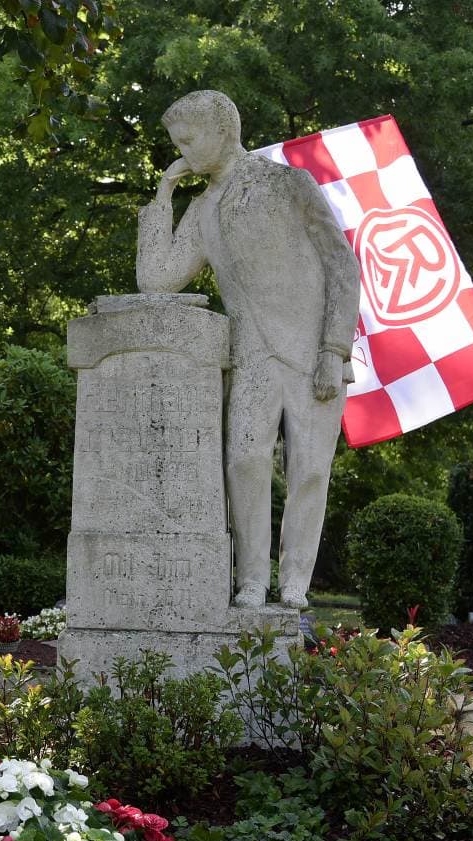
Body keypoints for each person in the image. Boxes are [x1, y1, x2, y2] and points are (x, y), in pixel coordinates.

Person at [136, 90, 359, 609]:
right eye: (176, 143)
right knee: (245, 462)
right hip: (252, 355)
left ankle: (296, 582)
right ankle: (253, 579)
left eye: (188, 140)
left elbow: (341, 265)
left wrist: (334, 349)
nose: (182, 152)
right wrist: (163, 196)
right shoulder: (202, 210)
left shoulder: (287, 183)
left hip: (313, 354)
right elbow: (157, 279)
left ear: (223, 132)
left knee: (310, 471)